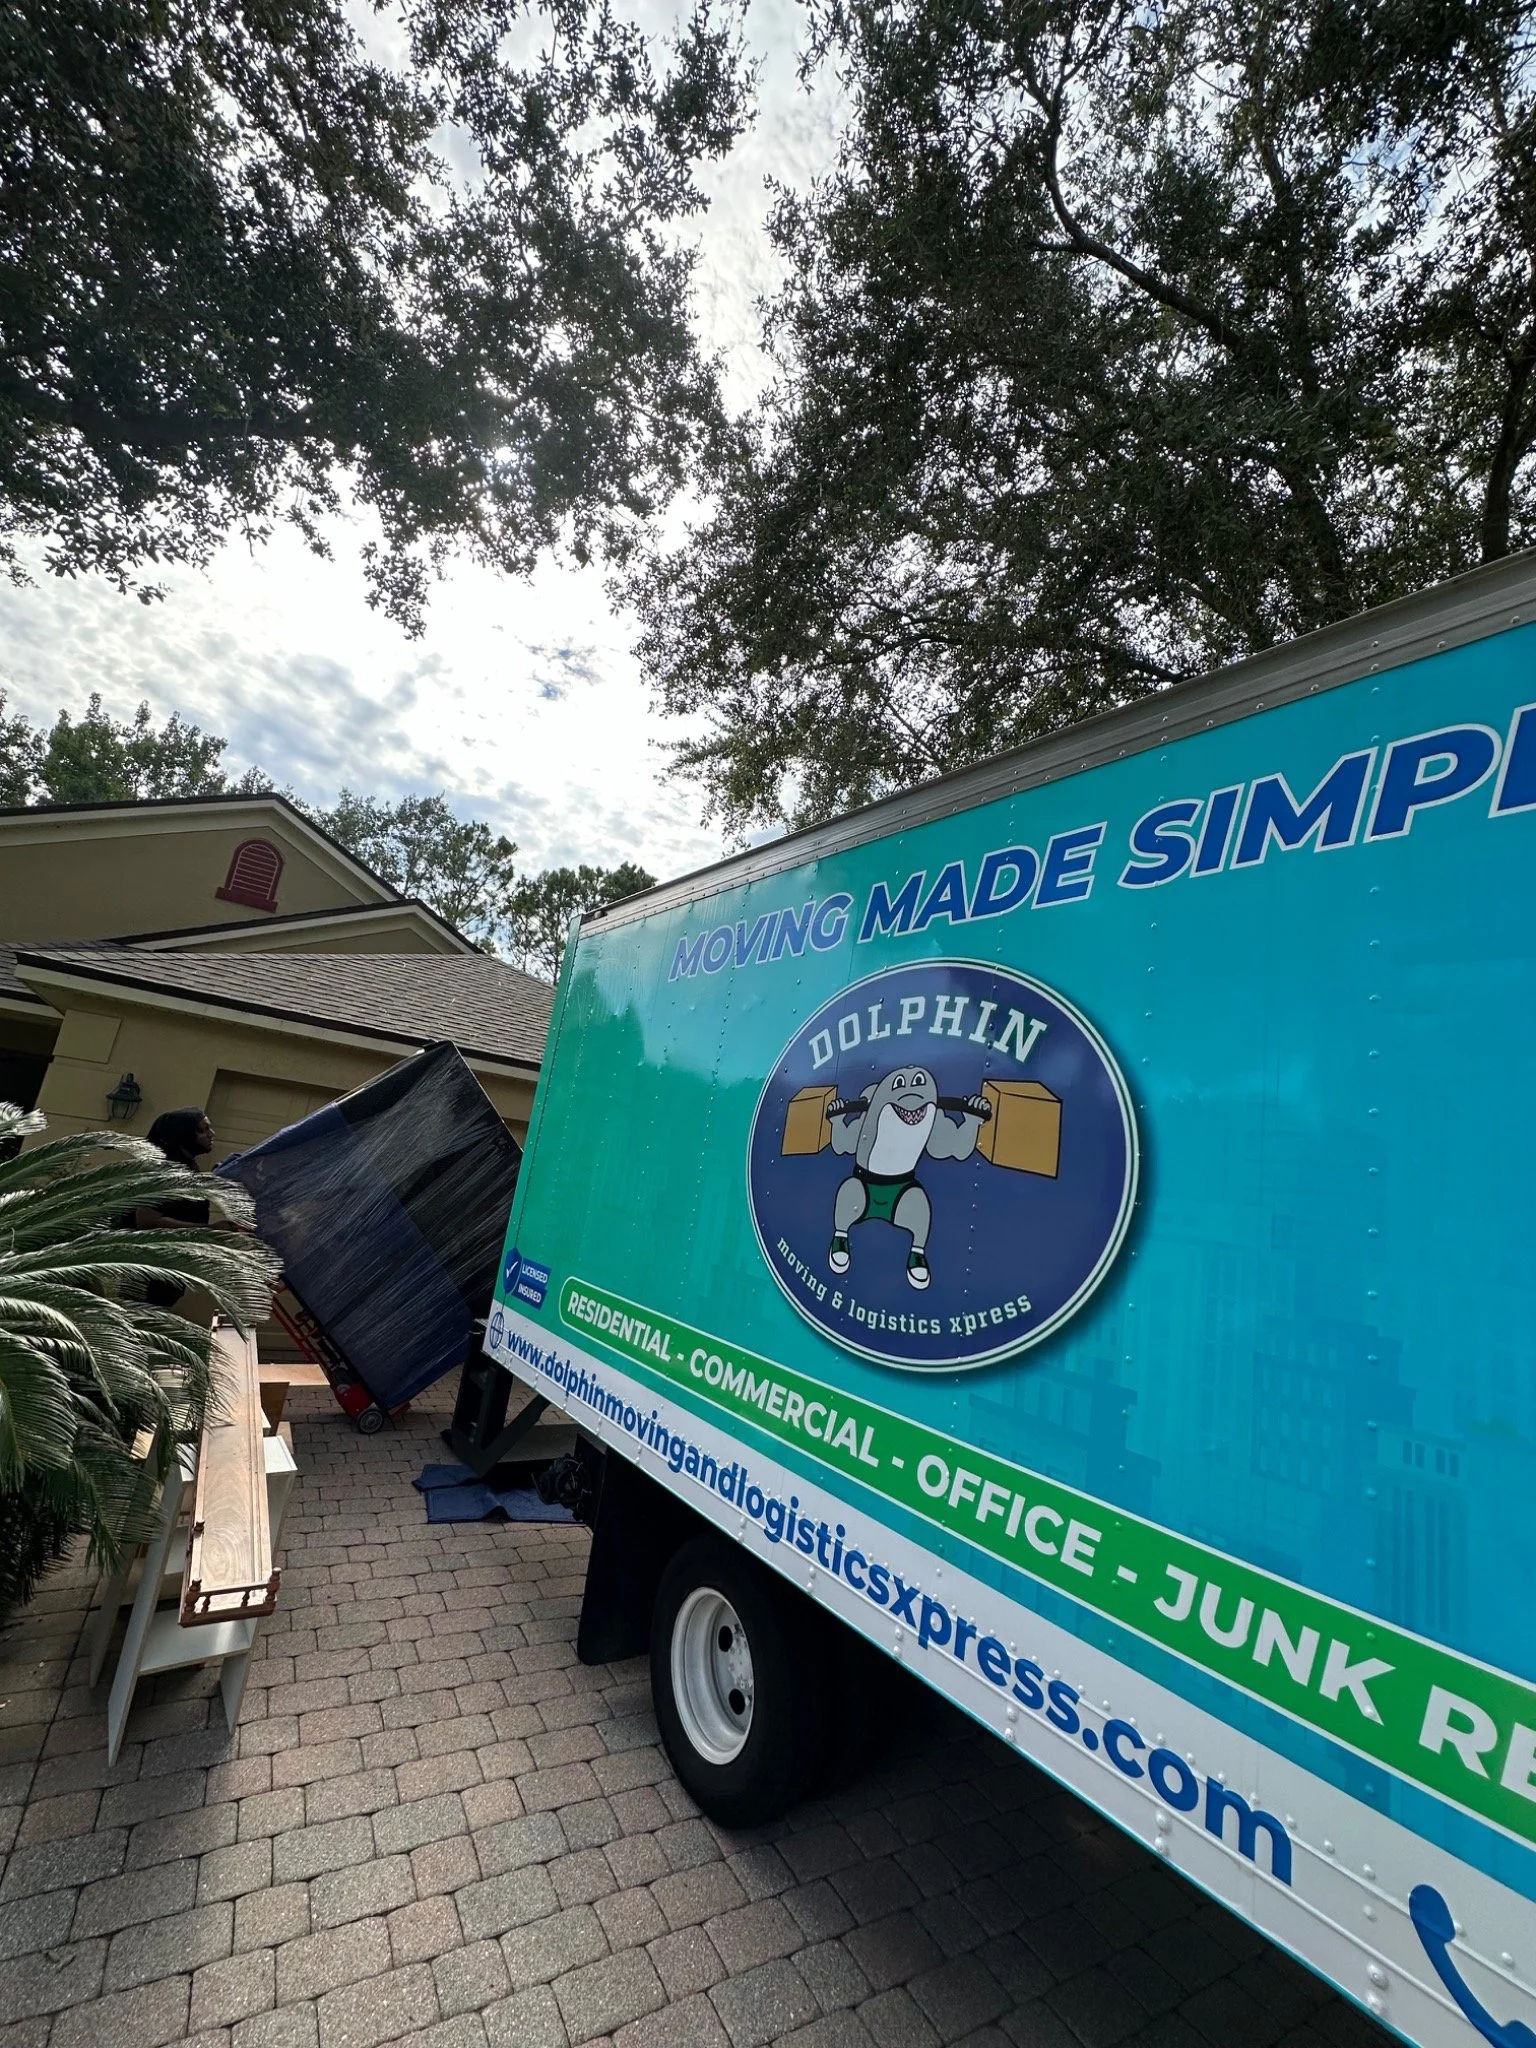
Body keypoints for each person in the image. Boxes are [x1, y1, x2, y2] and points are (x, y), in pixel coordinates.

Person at [139, 1107, 217, 1306]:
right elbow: (147, 1220)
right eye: (202, 1129)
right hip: (149, 1272)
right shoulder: (164, 1170)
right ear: (183, 1134)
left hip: (171, 1268)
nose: (211, 1134)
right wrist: (210, 1231)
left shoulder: (187, 1166)